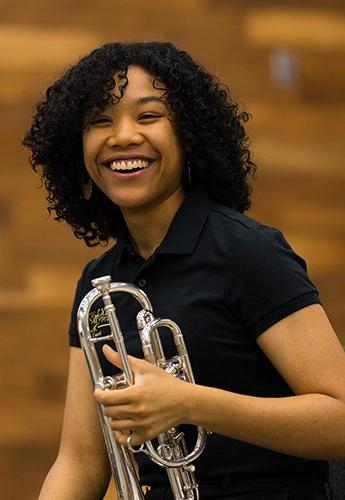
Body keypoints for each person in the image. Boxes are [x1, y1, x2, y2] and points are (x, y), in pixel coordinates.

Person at [23, 41, 345, 500]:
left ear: (188, 135)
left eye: (148, 116)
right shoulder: (99, 284)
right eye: (99, 121)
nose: (122, 136)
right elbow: (80, 461)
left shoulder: (247, 252)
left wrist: (190, 404)